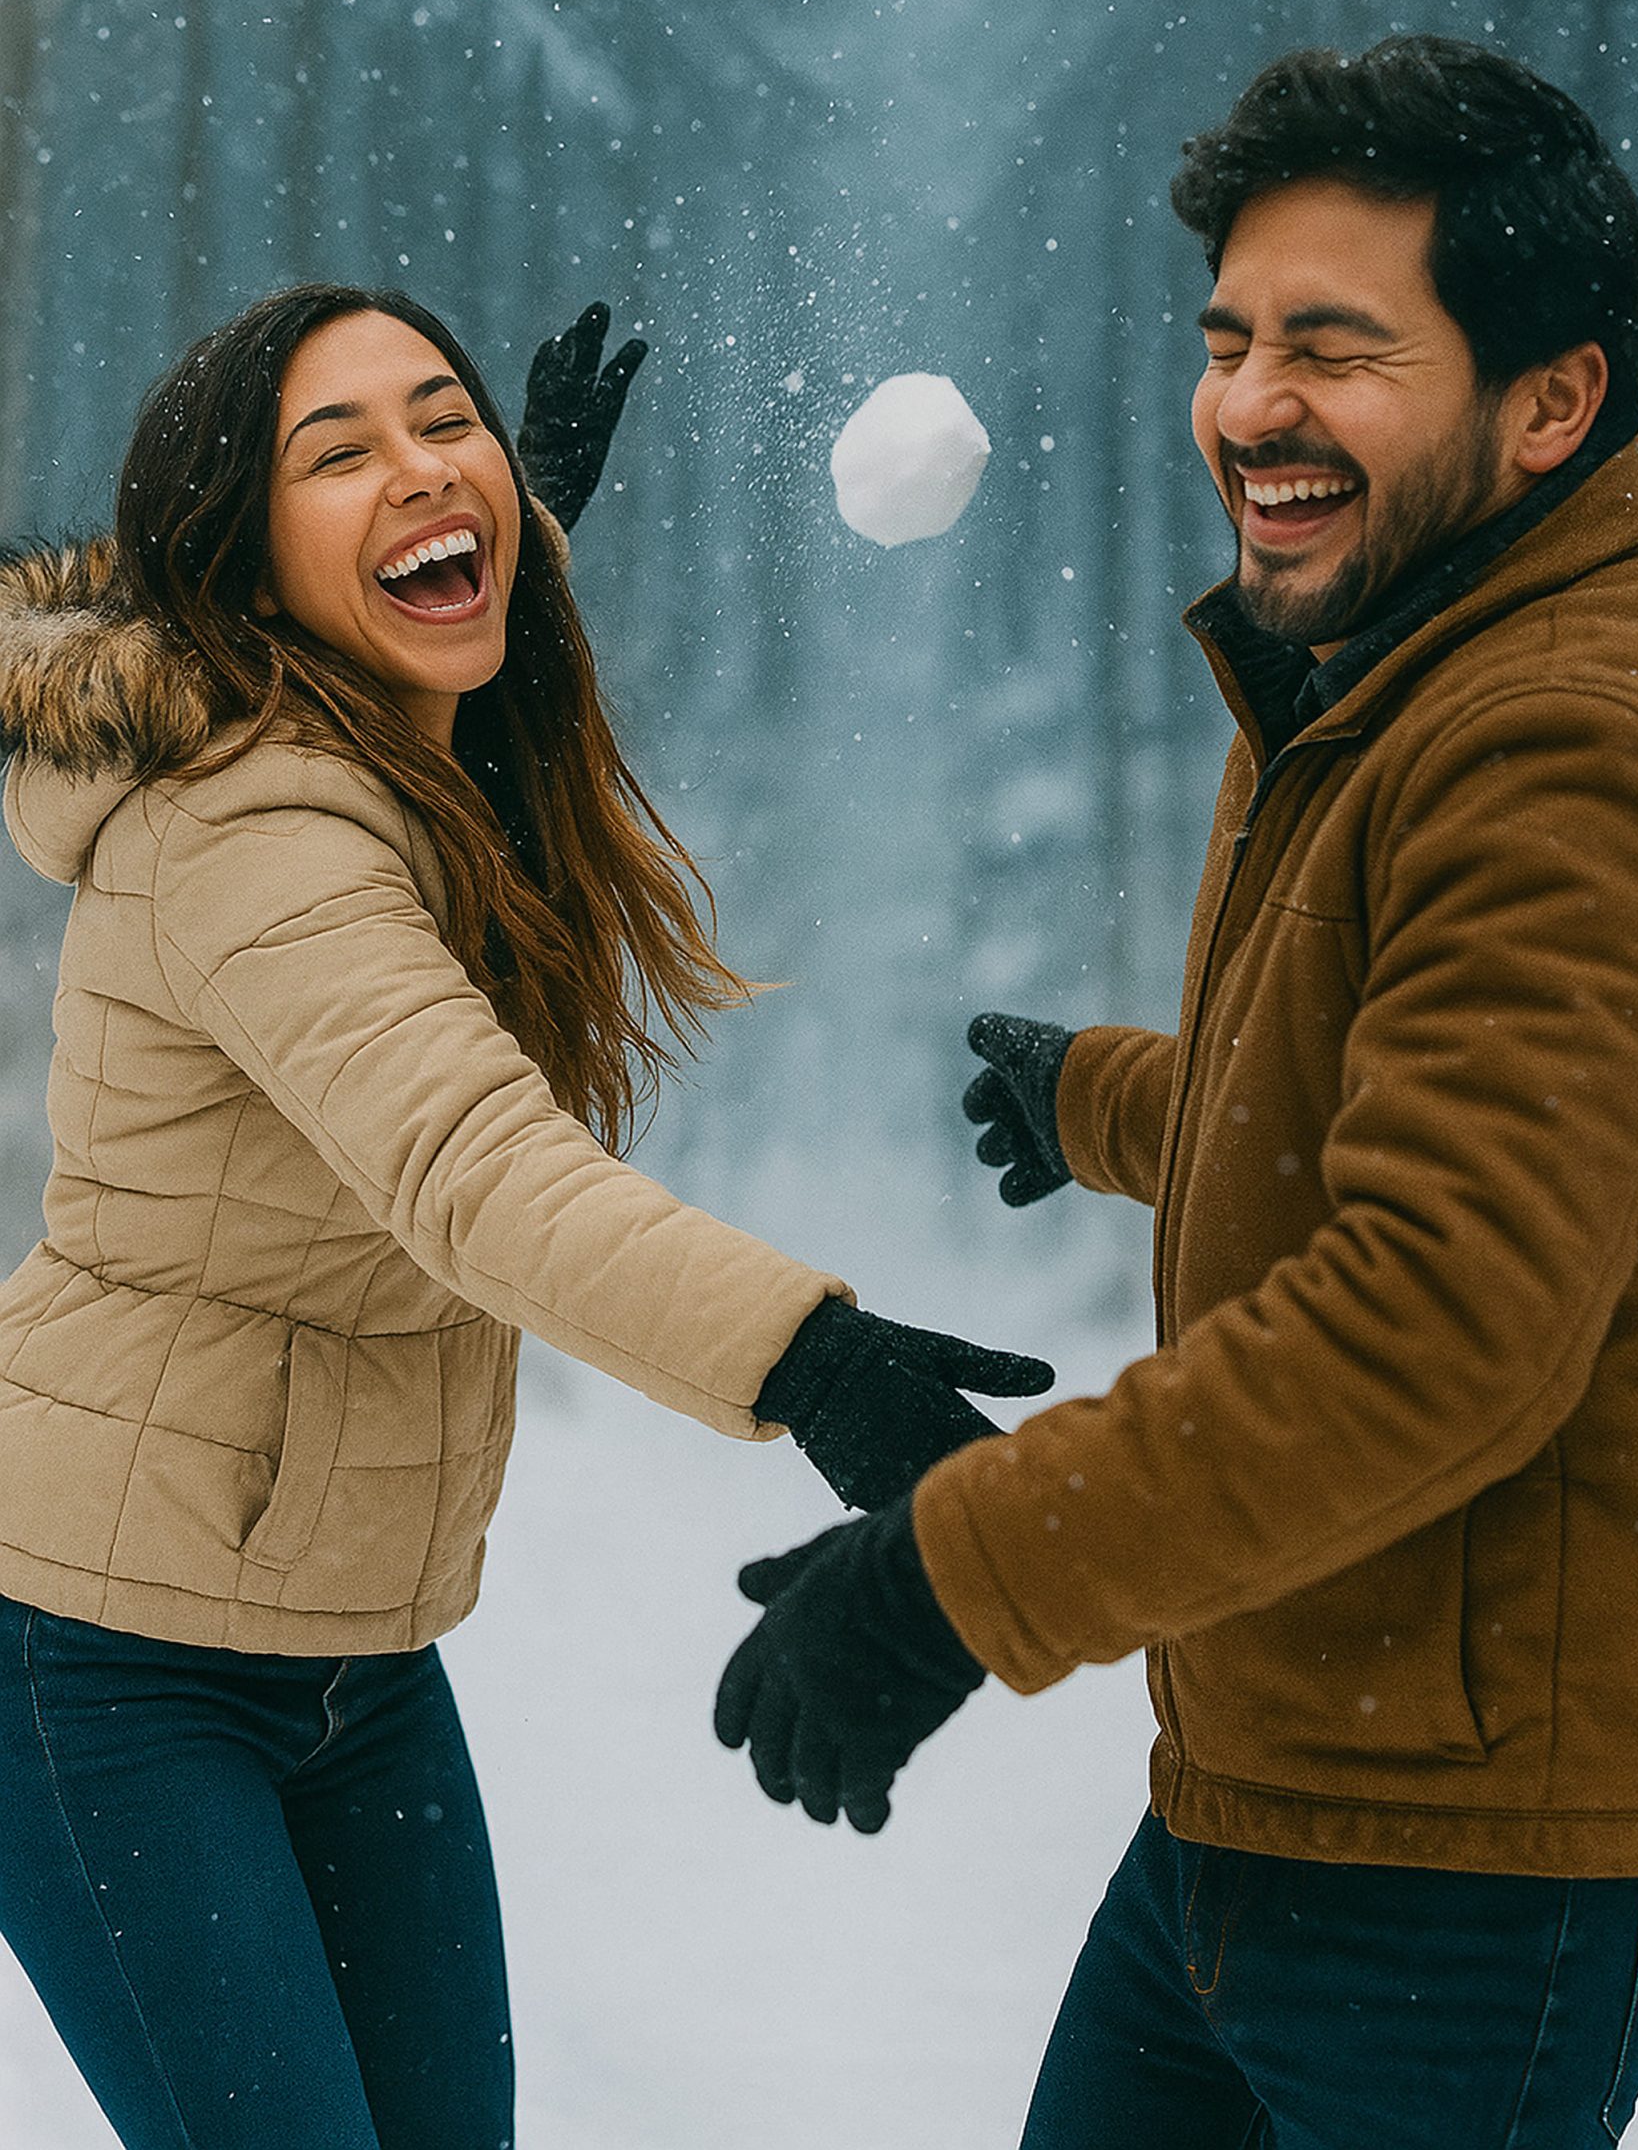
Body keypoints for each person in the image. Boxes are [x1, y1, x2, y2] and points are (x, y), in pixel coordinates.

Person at [714, 35, 1638, 2146]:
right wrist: (1105, 1100)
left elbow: (1436, 1319)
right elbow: (1390, 1102)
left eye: (1337, 349)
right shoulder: (1403, 667)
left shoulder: (1565, 736)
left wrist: (947, 1576)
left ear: (1550, 401)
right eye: (1231, 339)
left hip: (1465, 1880)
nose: (1249, 403)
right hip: (1266, 1791)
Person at [0, 280, 1052, 2150]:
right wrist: (820, 1365)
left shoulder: (373, 749)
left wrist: (513, 528)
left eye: (443, 418)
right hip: (108, 1662)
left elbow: (383, 643)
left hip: (352, 1658)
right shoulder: (253, 834)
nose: (422, 464)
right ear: (238, 563)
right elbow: (473, 1171)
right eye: (340, 451)